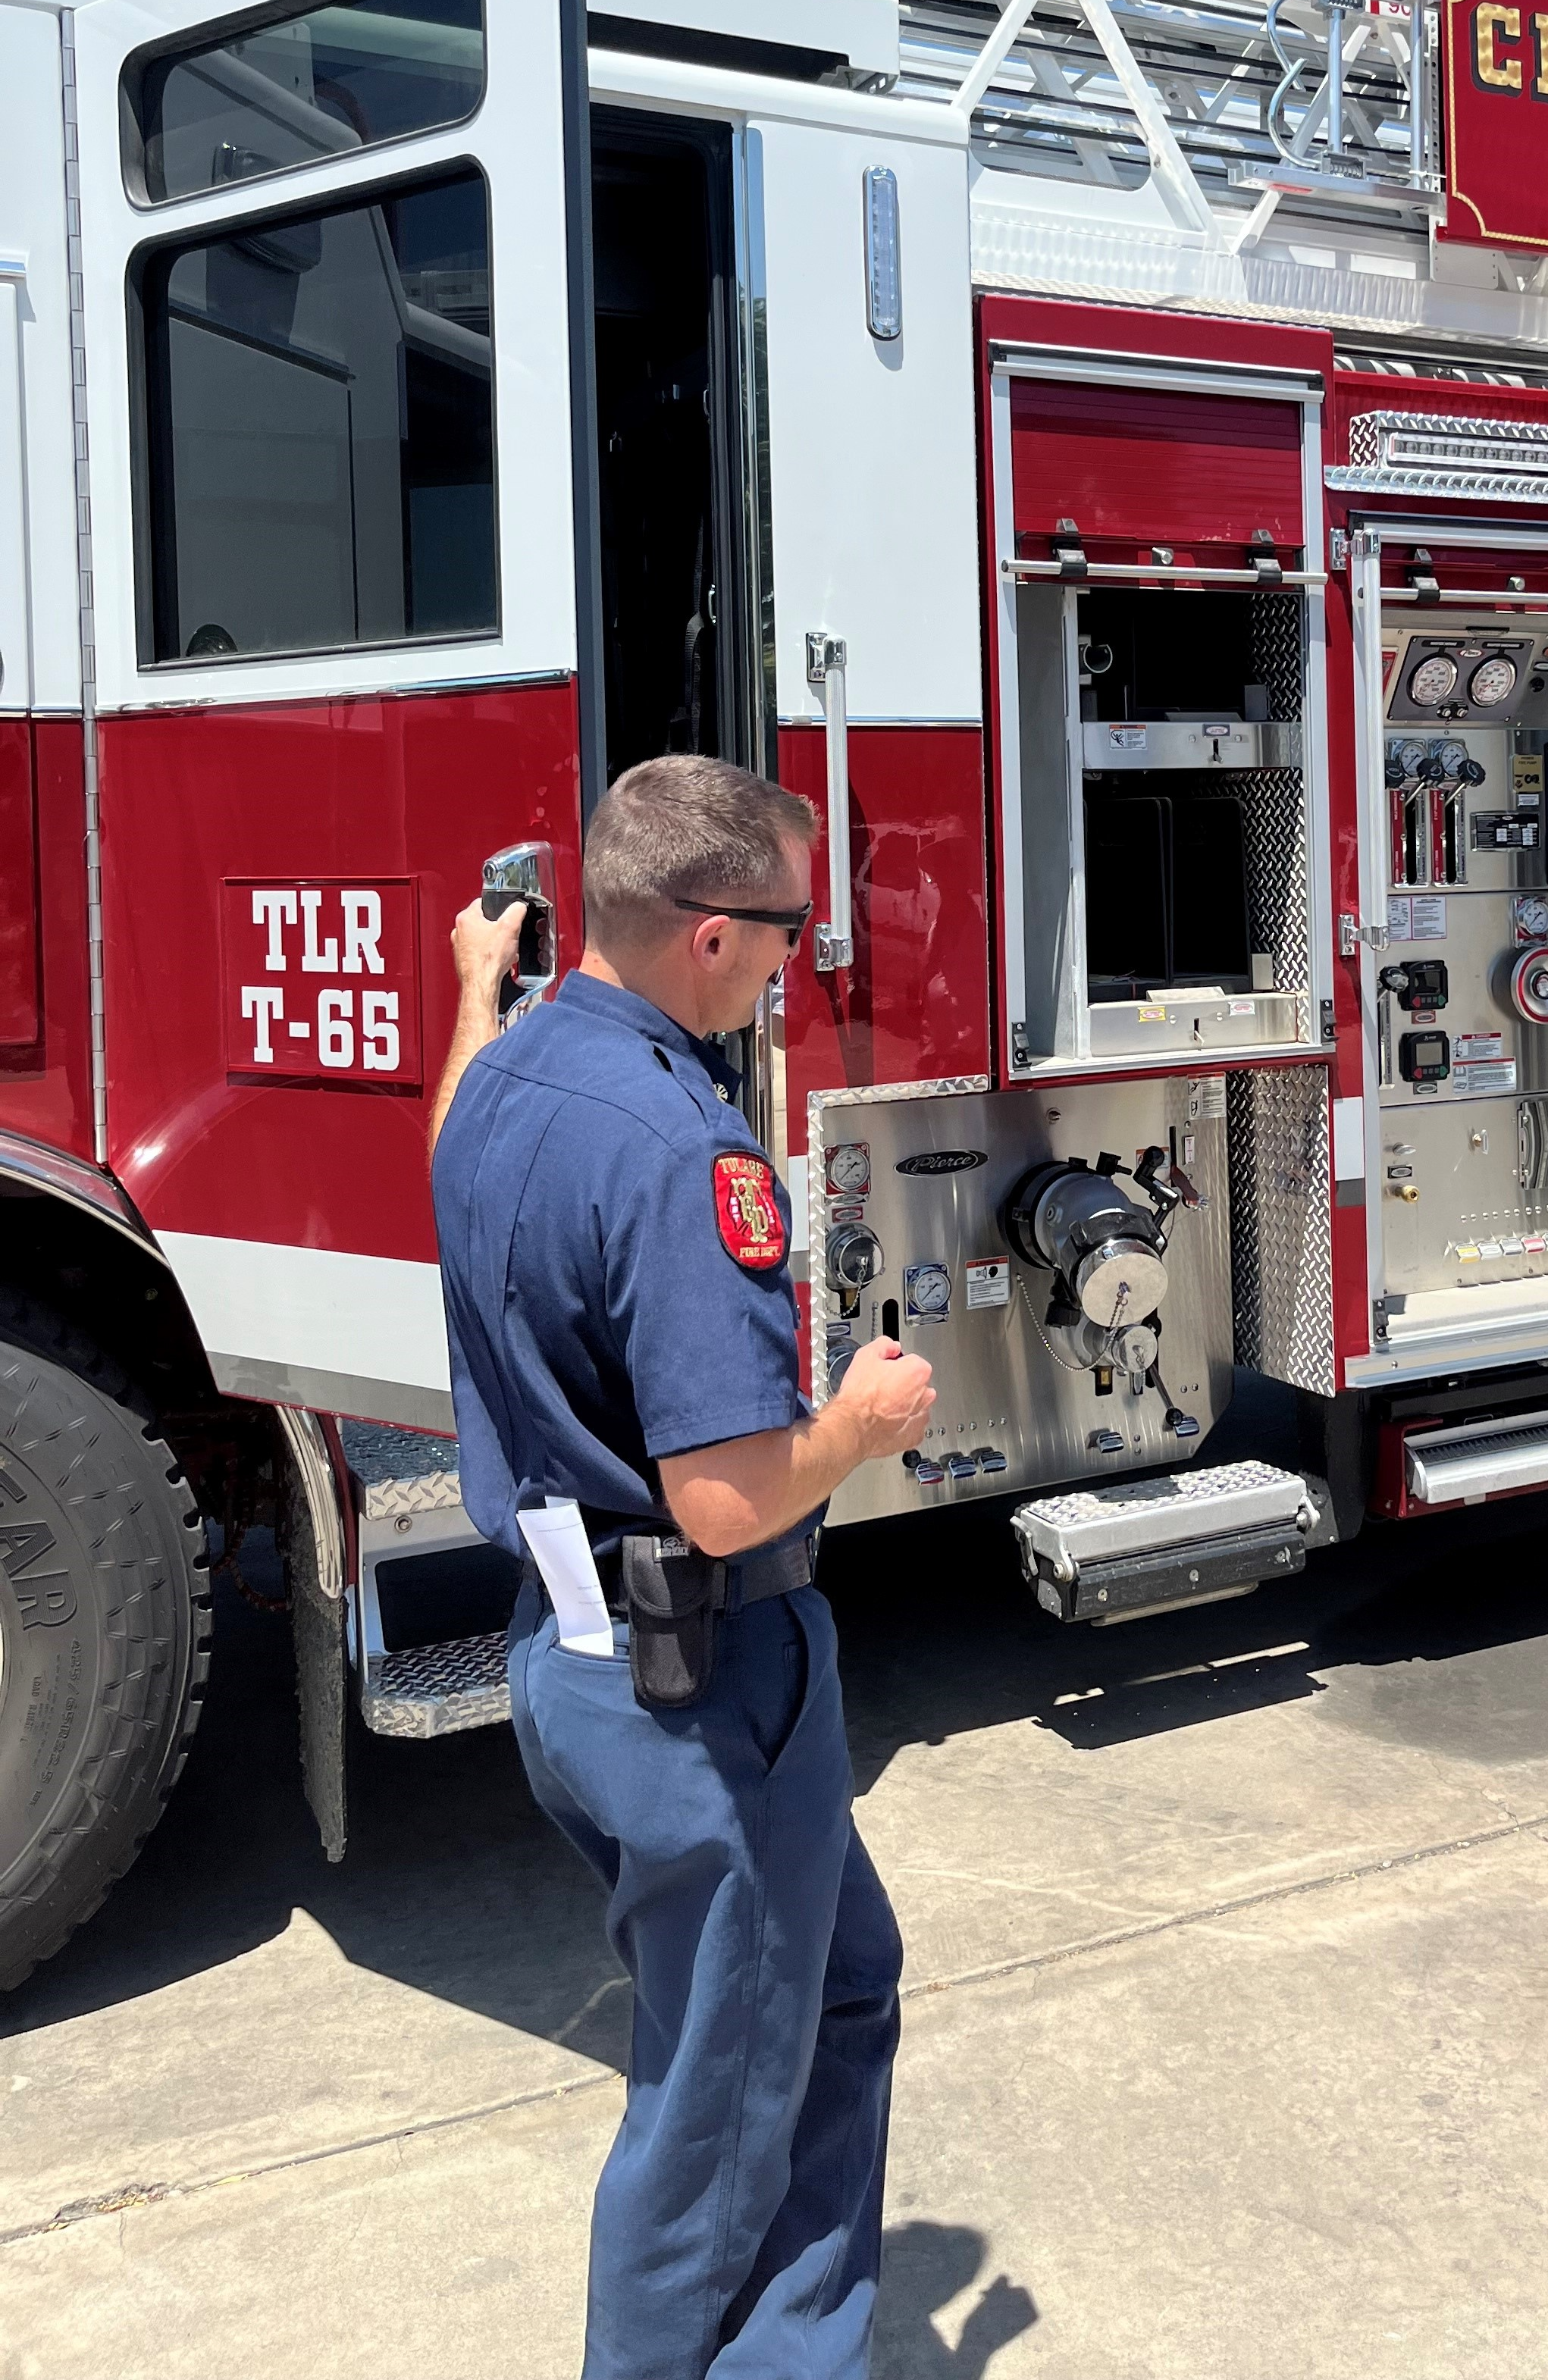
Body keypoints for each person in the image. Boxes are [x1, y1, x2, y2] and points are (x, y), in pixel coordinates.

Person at [430, 755, 936, 2378]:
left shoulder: (510, 1070)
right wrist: (862, 1426)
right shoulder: (679, 1144)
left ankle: (797, 2343)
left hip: (571, 1671)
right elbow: (722, 1499)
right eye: (790, 931)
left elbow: (445, 1149)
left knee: (839, 1983)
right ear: (712, 936)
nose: (802, 959)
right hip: (703, 1687)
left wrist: (468, 993)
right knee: (710, 2117)